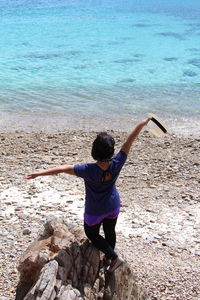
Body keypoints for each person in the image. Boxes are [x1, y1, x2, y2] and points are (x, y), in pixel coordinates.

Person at [25, 118, 150, 272]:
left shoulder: (87, 170)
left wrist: (39, 173)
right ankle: (109, 258)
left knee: (91, 233)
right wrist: (143, 123)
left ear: (94, 151)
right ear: (111, 151)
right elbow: (129, 141)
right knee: (110, 231)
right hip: (113, 206)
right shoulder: (117, 162)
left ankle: (114, 257)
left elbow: (63, 168)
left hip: (95, 210)